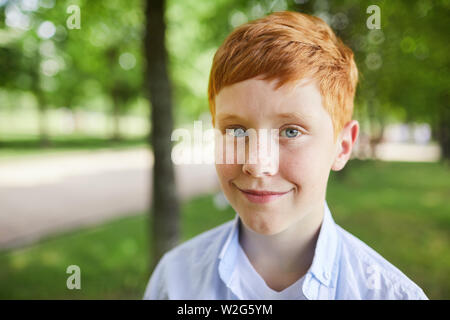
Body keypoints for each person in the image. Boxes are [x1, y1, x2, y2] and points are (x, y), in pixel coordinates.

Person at [143, 11, 428, 300]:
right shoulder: (175, 281)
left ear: (342, 146)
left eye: (291, 132)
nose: (256, 163)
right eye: (237, 131)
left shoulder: (389, 294)